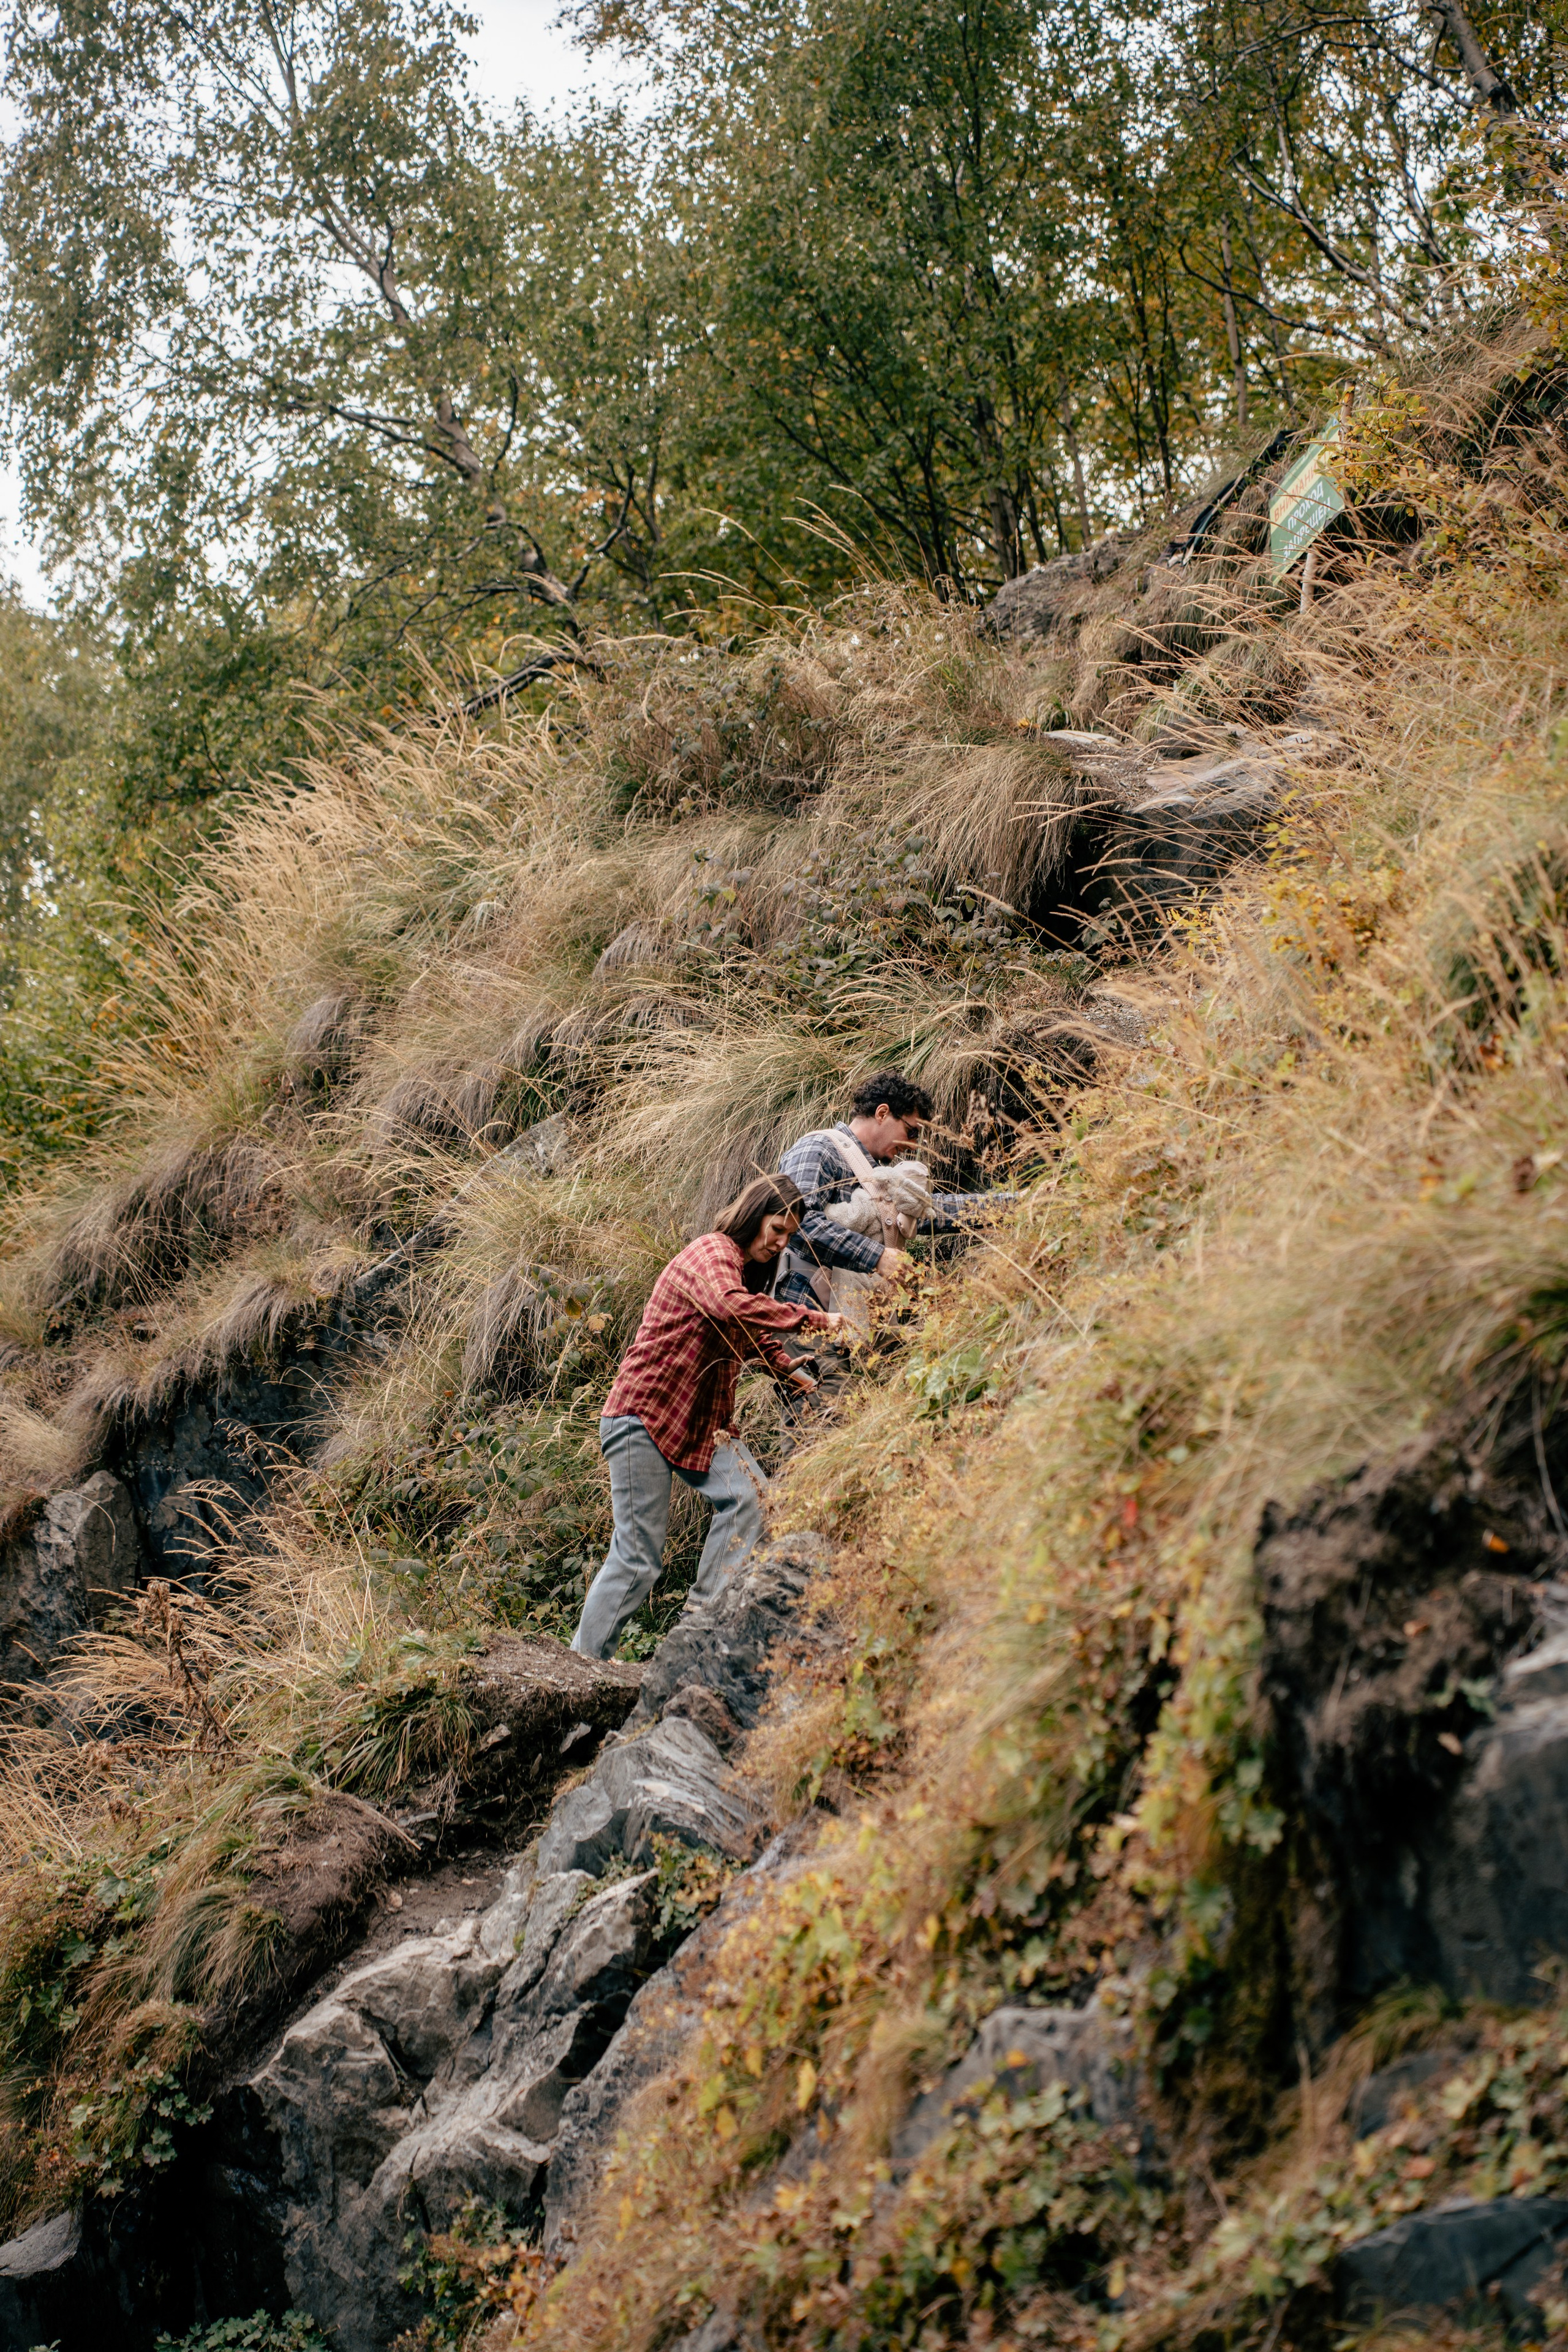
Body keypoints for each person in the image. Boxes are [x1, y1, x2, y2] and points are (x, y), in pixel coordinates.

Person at [571, 1174, 842, 1660]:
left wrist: (785, 1367)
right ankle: (581, 1667)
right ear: (754, 1213)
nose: (780, 1243)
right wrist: (814, 1320)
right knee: (637, 1560)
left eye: (788, 1237)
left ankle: (698, 1631)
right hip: (644, 1415)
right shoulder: (711, 1253)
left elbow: (742, 1328)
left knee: (751, 1500)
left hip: (699, 1425)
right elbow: (726, 1304)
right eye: (777, 1228)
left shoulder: (738, 1273)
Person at [775, 1069, 982, 1316]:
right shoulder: (819, 1148)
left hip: (851, 1320)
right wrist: (878, 1257)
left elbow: (927, 1210)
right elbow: (796, 1221)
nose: (913, 1145)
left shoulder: (874, 1174)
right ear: (882, 1113)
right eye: (912, 1131)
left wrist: (1009, 1205)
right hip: (802, 1308)